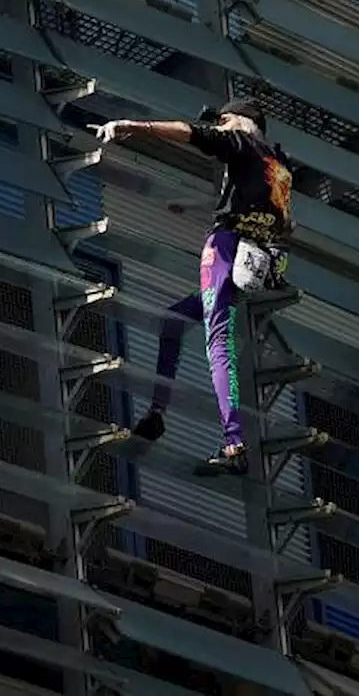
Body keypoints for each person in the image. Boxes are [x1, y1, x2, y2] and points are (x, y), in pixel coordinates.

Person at [92, 99, 293, 476]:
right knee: (174, 321)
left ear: (242, 121)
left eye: (224, 119)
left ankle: (234, 443)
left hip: (226, 248)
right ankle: (156, 414)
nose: (220, 125)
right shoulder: (277, 163)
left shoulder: (241, 141)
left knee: (218, 342)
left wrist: (132, 125)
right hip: (253, 257)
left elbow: (190, 132)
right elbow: (276, 218)